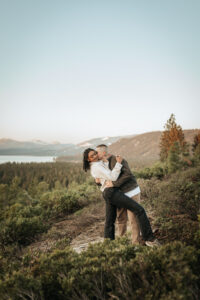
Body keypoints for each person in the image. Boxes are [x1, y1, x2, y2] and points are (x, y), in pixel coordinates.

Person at [83, 148, 160, 247]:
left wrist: (100, 175)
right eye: (92, 156)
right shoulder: (96, 166)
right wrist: (119, 163)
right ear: (88, 159)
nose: (95, 156)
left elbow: (103, 175)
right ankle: (149, 238)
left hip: (108, 192)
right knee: (139, 210)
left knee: (110, 220)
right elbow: (113, 177)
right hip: (111, 192)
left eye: (95, 153)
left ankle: (108, 246)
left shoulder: (99, 163)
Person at [95, 144, 141, 244]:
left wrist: (114, 183)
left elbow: (128, 174)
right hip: (118, 195)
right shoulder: (101, 164)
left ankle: (136, 243)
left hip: (131, 192)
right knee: (121, 219)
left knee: (133, 219)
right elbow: (104, 180)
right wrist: (98, 182)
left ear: (103, 153)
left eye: (97, 152)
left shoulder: (118, 159)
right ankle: (122, 242)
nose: (95, 155)